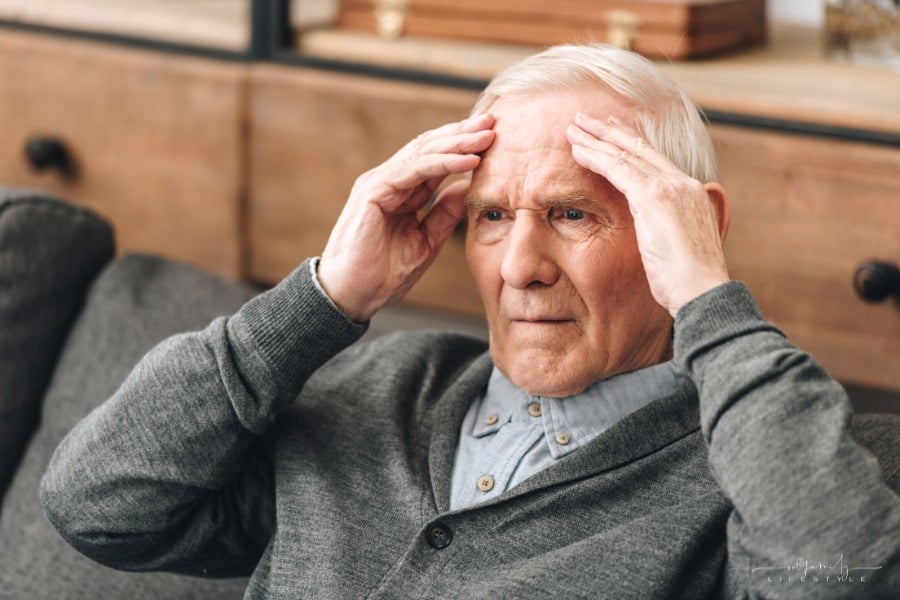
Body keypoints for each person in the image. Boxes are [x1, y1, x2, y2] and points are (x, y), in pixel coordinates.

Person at [41, 44, 899, 598]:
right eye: (491, 217)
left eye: (570, 214)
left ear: (687, 224)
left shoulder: (773, 465)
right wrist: (323, 300)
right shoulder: (380, 385)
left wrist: (709, 301)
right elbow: (98, 503)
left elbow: (839, 576)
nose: (520, 266)